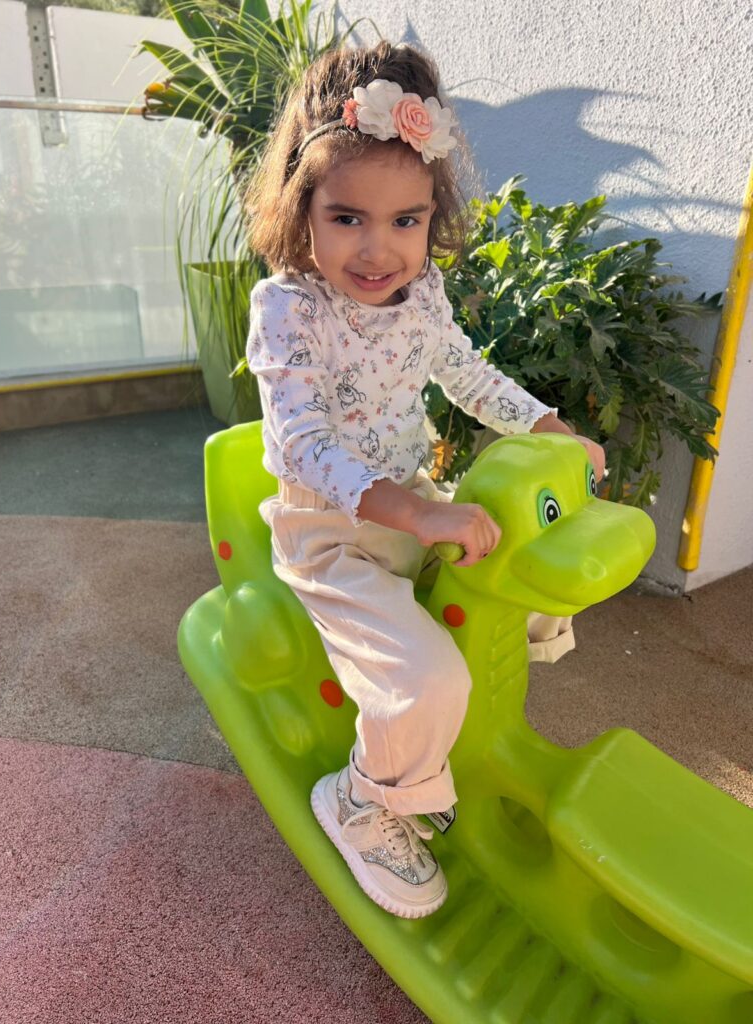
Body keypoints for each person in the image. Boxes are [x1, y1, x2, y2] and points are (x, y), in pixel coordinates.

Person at [245, 41, 605, 919]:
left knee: (518, 569)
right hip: (330, 536)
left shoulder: (423, 294)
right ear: (301, 206)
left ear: (432, 213)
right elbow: (303, 444)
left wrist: (548, 427)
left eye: (406, 220)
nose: (380, 250)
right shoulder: (288, 308)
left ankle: (435, 747)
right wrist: (414, 512)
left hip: (408, 511)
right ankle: (361, 800)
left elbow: (466, 374)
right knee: (427, 681)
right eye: (348, 218)